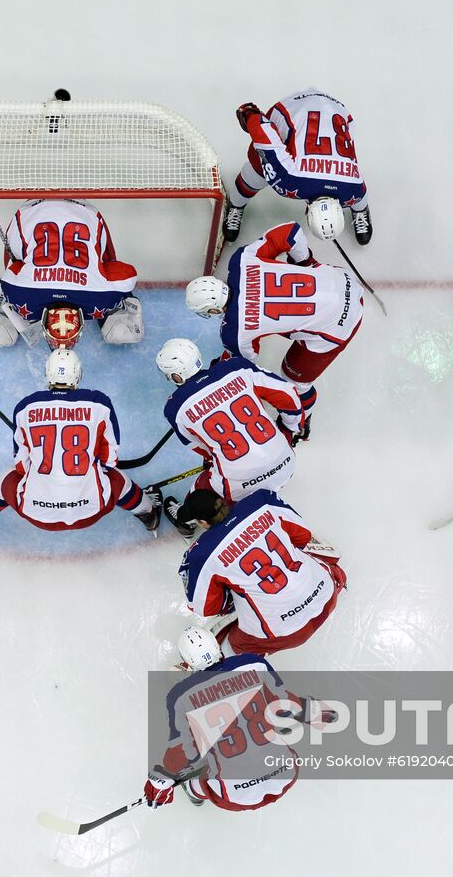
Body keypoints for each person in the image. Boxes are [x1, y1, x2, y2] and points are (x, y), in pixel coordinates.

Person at [0, 349, 160, 537]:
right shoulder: (99, 403)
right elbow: (109, 462)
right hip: (91, 511)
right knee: (119, 480)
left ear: (48, 373)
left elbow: (22, 466)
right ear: (78, 373)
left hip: (37, 514)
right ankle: (149, 515)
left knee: (4, 479)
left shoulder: (26, 407)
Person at [185, 222, 362, 431]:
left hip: (340, 324)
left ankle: (299, 426)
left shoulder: (234, 331)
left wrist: (220, 366)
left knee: (294, 381)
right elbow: (291, 232)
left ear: (213, 310)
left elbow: (243, 366)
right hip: (343, 280)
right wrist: (305, 263)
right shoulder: (242, 259)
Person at [143, 626, 331, 812]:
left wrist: (159, 783)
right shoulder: (254, 663)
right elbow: (283, 706)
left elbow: (182, 751)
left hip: (234, 797)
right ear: (217, 646)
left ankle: (194, 791)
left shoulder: (179, 696)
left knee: (203, 775)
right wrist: (312, 711)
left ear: (187, 662)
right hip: (285, 775)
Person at [154, 338, 306, 537]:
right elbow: (288, 395)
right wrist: (290, 428)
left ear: (177, 375)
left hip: (238, 485)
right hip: (286, 464)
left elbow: (200, 447)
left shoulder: (174, 408)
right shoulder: (236, 368)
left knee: (197, 498)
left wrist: (215, 462)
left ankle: (185, 519)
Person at [177, 489, 346, 656]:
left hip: (284, 634)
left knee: (232, 645)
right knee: (304, 552)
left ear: (203, 522)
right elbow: (303, 536)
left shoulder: (202, 553)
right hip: (327, 595)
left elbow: (205, 607)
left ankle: (221, 666)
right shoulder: (262, 499)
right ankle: (339, 578)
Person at [0, 199, 143, 348]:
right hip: (42, 209)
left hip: (71, 209)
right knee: (16, 270)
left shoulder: (100, 299)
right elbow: (12, 273)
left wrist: (109, 289)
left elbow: (126, 273)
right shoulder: (22, 298)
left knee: (16, 265)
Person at [223, 88, 372, 245]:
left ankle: (361, 211)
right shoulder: (290, 181)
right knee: (258, 170)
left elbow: (359, 195)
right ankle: (236, 204)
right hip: (294, 108)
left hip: (339, 110)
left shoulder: (352, 191)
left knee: (271, 165)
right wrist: (251, 115)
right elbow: (266, 138)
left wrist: (250, 115)